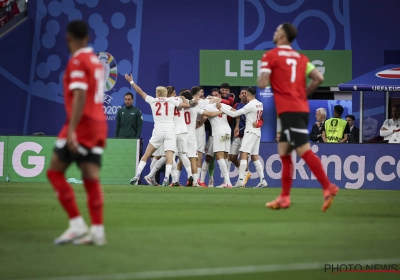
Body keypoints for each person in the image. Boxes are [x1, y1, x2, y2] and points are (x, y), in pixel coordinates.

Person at [258, 22, 339, 211]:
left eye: (277, 30)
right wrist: (304, 92)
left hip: (290, 110)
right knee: (284, 150)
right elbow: (319, 78)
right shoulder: (301, 58)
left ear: (282, 36)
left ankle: (328, 186)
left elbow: (262, 83)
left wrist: (265, 72)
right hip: (299, 108)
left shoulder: (270, 56)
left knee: (303, 150)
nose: (274, 32)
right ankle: (284, 197)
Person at [46, 20, 107, 246]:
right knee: (91, 176)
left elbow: (80, 95)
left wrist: (71, 130)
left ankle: (76, 223)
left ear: (68, 38)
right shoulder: (96, 62)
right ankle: (98, 231)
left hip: (81, 125)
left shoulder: (78, 61)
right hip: (98, 124)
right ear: (88, 38)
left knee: (54, 171)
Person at [125, 75, 190, 186]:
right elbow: (187, 105)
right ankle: (166, 178)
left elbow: (140, 91)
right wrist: (183, 97)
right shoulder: (172, 101)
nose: (155, 94)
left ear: (158, 94)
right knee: (170, 156)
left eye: (156, 92)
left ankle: (137, 175)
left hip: (158, 132)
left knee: (146, 155)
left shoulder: (153, 100)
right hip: (170, 132)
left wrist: (131, 81)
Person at [219, 87, 268, 189]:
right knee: (254, 157)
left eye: (246, 93)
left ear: (248, 94)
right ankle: (263, 180)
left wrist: (221, 107)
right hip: (257, 132)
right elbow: (260, 118)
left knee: (243, 154)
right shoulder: (260, 103)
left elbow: (234, 114)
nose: (245, 95)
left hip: (250, 131)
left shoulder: (250, 105)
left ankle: (241, 180)